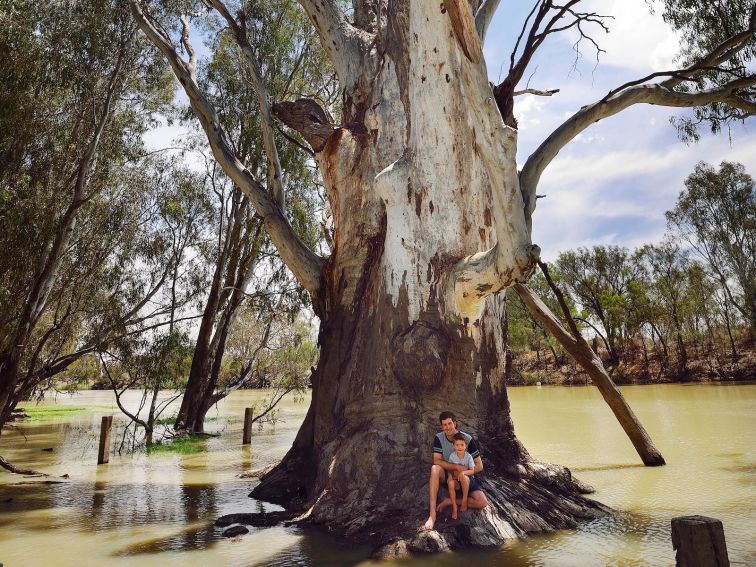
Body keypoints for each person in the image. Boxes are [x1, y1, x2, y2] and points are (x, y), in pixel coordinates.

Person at [423, 411, 488, 530]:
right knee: (434, 469)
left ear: (455, 423)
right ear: (441, 426)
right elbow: (436, 461)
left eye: (450, 423)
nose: (447, 427)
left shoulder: (467, 439)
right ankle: (432, 515)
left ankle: (450, 501)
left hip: (465, 479)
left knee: (482, 502)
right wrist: (456, 467)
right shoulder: (439, 437)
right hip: (448, 478)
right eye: (444, 425)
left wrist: (464, 472)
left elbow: (479, 466)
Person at [446, 432, 478, 520]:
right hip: (457, 481)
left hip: (468, 480)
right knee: (451, 483)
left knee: (463, 477)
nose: (459, 447)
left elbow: (472, 470)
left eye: (462, 445)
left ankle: (464, 500)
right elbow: (450, 469)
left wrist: (463, 473)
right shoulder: (452, 456)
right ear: (453, 446)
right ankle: (454, 507)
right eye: (457, 445)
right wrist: (449, 476)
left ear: (465, 446)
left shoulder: (469, 457)